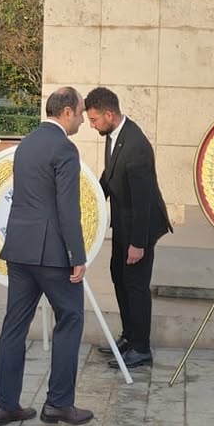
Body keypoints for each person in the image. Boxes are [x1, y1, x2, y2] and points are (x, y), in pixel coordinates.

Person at [0, 87, 92, 426]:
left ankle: (6, 405)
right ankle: (59, 404)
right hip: (51, 254)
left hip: (19, 250)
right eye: (80, 112)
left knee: (14, 325)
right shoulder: (64, 148)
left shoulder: (27, 142)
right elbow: (67, 207)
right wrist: (77, 255)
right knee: (71, 318)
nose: (82, 118)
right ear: (66, 111)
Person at [83, 87, 171, 370]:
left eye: (94, 119)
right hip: (123, 220)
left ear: (109, 114)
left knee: (135, 285)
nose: (91, 124)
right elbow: (109, 178)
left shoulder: (136, 146)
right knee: (118, 277)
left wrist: (138, 244)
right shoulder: (114, 136)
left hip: (139, 227)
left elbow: (144, 201)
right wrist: (90, 201)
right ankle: (129, 337)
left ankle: (142, 348)